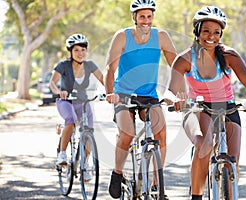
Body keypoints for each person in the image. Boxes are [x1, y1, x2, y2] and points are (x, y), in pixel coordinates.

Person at [167, 6, 246, 200]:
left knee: (232, 161)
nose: (211, 36)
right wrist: (174, 99)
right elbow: (170, 90)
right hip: (198, 109)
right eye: (206, 31)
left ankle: (230, 193)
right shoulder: (184, 59)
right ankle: (196, 196)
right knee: (204, 145)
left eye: (216, 32)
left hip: (228, 108)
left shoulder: (228, 55)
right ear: (197, 31)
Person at [105, 0, 177, 198]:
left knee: (160, 133)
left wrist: (177, 93)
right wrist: (110, 93)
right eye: (142, 16)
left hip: (149, 95)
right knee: (127, 134)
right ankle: (117, 173)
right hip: (123, 94)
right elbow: (110, 68)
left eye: (149, 16)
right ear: (134, 17)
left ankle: (156, 184)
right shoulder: (122, 36)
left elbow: (177, 66)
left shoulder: (161, 36)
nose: (146, 21)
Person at [49, 33, 104, 180]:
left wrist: (109, 92)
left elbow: (104, 80)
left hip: (83, 102)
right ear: (71, 52)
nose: (80, 53)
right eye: (76, 50)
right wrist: (59, 92)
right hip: (66, 102)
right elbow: (52, 83)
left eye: (83, 50)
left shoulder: (90, 65)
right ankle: (62, 153)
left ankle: (85, 165)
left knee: (89, 131)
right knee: (71, 121)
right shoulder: (63, 66)